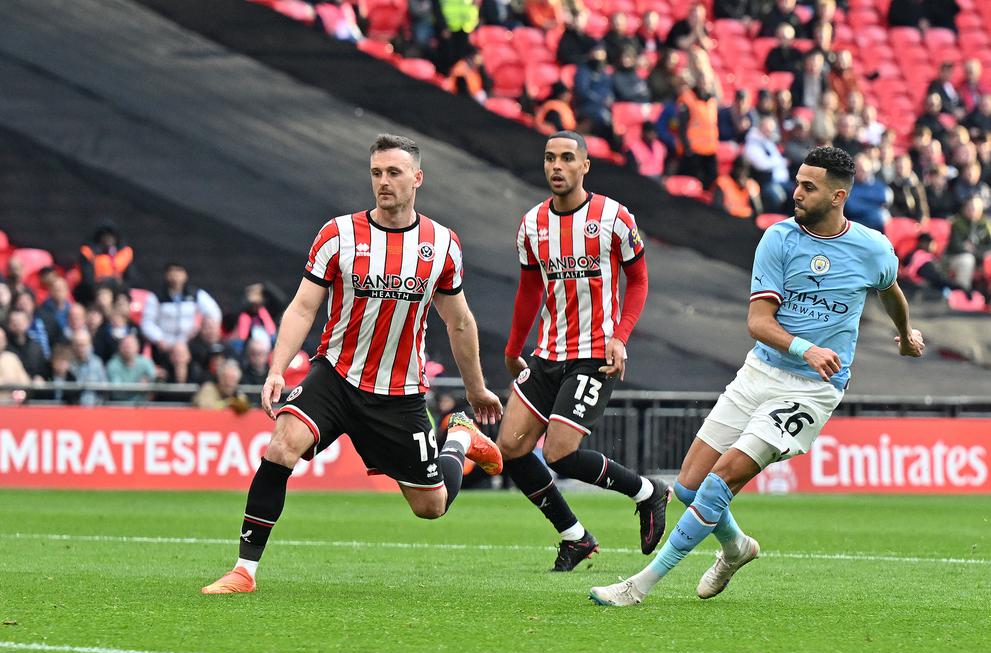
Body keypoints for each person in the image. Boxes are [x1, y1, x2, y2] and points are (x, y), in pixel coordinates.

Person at [590, 146, 925, 606]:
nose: (797, 192)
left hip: (813, 390)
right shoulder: (778, 239)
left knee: (720, 480)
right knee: (688, 485)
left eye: (810, 186)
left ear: (837, 196)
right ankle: (735, 548)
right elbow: (758, 322)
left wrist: (906, 334)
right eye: (798, 182)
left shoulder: (872, 249)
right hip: (761, 371)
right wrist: (807, 348)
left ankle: (639, 585)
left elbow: (891, 291)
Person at [202, 134, 504, 595]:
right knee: (281, 446)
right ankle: (245, 570)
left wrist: (477, 389)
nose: (383, 182)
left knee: (431, 507)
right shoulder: (338, 234)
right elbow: (303, 307)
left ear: (417, 179)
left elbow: (459, 322)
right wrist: (278, 369)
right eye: (377, 173)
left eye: (394, 173)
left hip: (399, 394)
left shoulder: (441, 245)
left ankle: (459, 438)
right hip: (337, 376)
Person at [496, 131, 666, 572]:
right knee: (510, 449)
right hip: (548, 353)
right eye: (550, 157)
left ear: (584, 166)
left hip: (595, 353)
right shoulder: (532, 223)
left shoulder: (614, 217)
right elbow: (530, 289)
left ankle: (648, 492)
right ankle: (575, 537)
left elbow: (640, 281)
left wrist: (621, 336)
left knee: (558, 453)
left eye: (567, 158)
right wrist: (515, 347)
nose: (557, 166)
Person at [106, 333, 155, 402]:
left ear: (137, 347)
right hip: (120, 406)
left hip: (143, 406)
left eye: (130, 346)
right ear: (119, 348)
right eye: (125, 346)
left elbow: (154, 386)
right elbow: (116, 392)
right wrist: (138, 386)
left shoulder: (146, 363)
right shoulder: (113, 364)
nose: (127, 349)